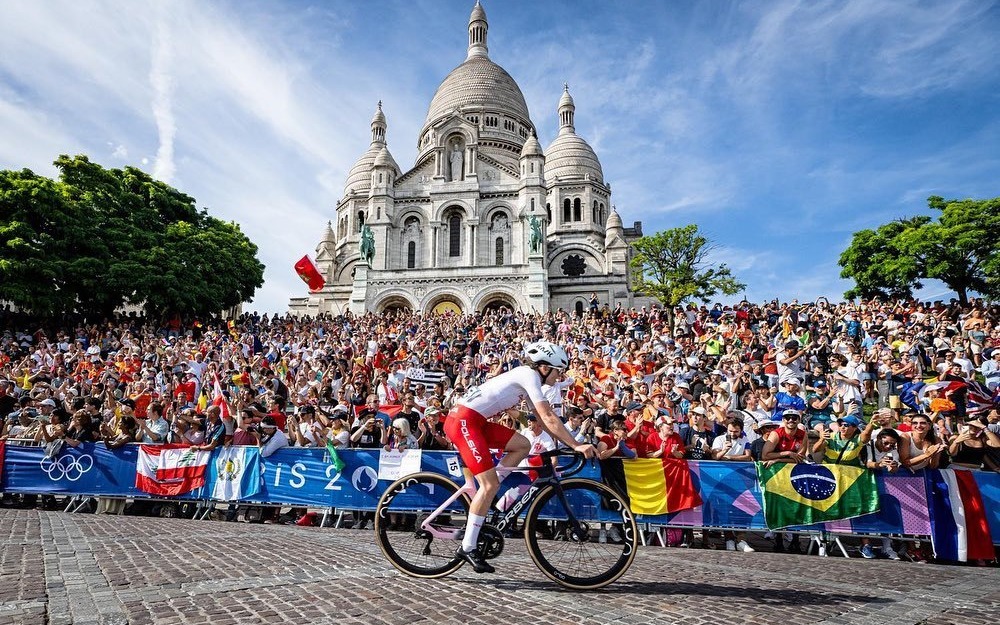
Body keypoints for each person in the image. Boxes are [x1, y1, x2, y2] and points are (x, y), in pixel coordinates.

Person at [442, 341, 597, 573]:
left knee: (522, 445)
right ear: (544, 367)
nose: (559, 376)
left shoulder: (527, 378)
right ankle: (468, 545)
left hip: (476, 421)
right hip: (463, 421)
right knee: (489, 484)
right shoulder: (528, 375)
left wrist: (562, 442)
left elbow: (542, 418)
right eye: (558, 370)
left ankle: (490, 492)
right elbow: (548, 416)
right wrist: (575, 444)